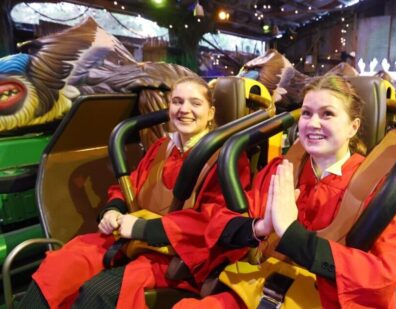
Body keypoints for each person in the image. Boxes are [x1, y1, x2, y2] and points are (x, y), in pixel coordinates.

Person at [175, 74, 396, 308]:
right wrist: (260, 226)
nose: (312, 123)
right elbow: (222, 221)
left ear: (353, 127)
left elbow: (381, 275)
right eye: (307, 113)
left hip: (326, 299)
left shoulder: (381, 191)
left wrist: (292, 235)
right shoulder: (281, 170)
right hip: (262, 288)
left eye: (327, 114)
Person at [20, 76, 251, 308]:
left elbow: (216, 221)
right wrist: (113, 210)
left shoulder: (226, 159)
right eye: (177, 102)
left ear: (211, 113)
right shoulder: (161, 149)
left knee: (98, 291)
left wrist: (144, 228)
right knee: (61, 266)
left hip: (179, 256)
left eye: (195, 103)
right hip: (134, 240)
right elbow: (128, 186)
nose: (184, 110)